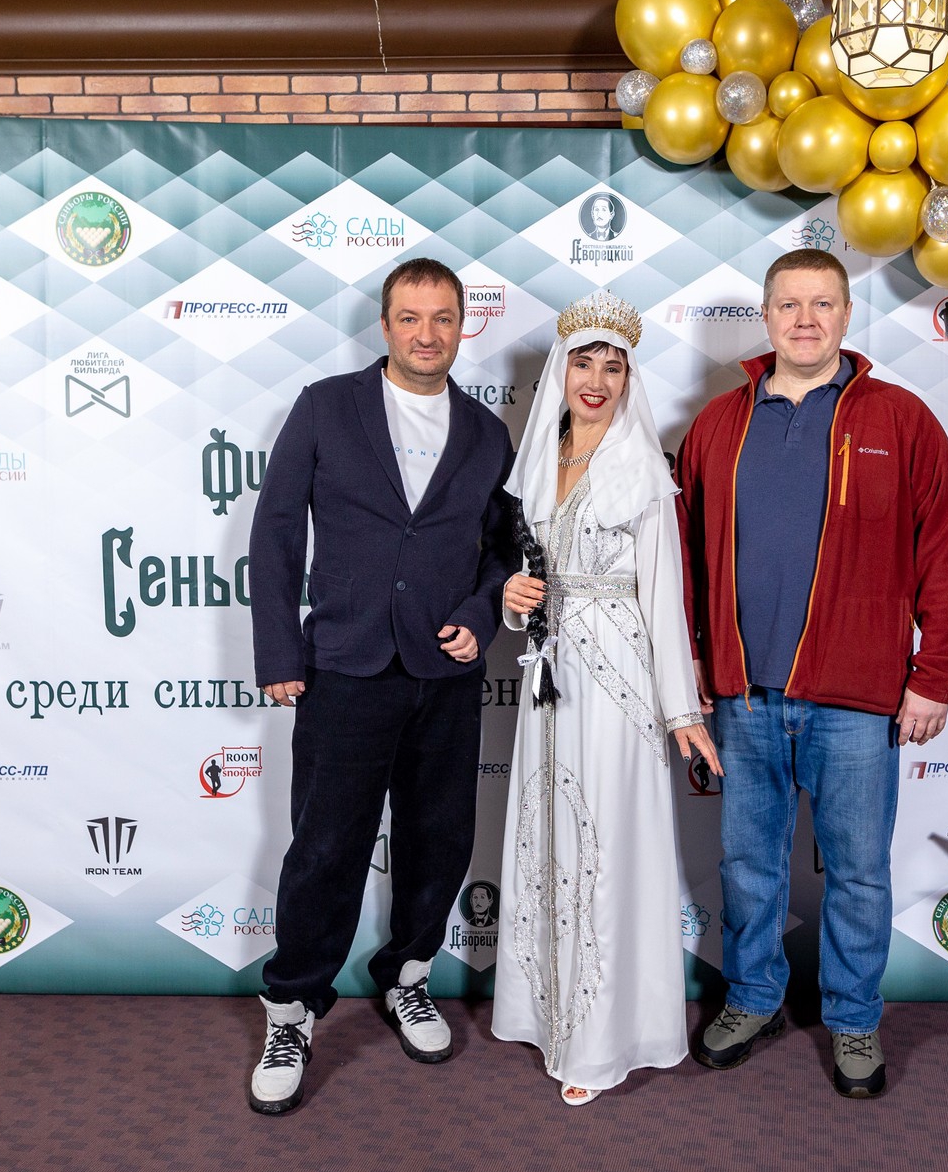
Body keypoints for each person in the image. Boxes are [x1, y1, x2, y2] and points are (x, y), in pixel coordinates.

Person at [674, 248, 948, 1100]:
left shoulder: (901, 419)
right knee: (748, 867)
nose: (806, 320)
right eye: (789, 305)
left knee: (858, 872)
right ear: (767, 317)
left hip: (858, 697)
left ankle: (853, 1018)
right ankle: (752, 998)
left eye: (823, 304)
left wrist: (935, 675)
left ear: (845, 315)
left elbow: (945, 553)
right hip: (744, 695)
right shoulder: (717, 424)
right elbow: (685, 559)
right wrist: (692, 664)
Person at [245, 257, 514, 1116]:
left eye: (443, 318)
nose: (427, 334)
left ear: (463, 325)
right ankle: (292, 1009)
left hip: (446, 672)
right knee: (325, 848)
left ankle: (408, 975)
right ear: (386, 324)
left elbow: (502, 550)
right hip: (346, 665)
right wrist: (278, 653)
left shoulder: (486, 433)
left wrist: (480, 613)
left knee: (439, 839)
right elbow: (276, 531)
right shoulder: (327, 406)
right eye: (410, 317)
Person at [492, 289, 721, 1107]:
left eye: (612, 367)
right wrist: (510, 599)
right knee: (547, 835)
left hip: (618, 678)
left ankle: (600, 1042)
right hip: (547, 677)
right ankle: (548, 1016)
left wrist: (682, 710)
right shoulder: (537, 460)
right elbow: (524, 572)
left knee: (608, 846)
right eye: (583, 363)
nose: (595, 380)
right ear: (561, 370)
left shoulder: (643, 469)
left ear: (630, 379)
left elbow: (664, 595)